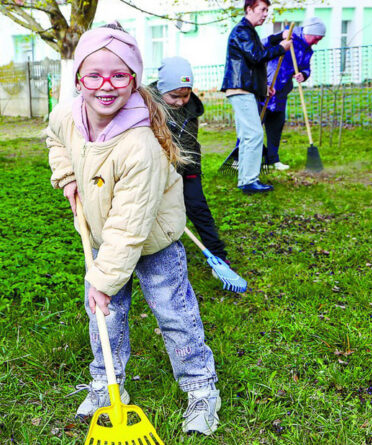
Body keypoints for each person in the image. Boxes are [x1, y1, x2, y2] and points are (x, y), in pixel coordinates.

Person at [46, 24, 220, 435]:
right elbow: (54, 139)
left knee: (174, 314)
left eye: (119, 75)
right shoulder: (68, 115)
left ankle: (201, 388)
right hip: (104, 236)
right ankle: (108, 386)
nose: (105, 86)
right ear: (78, 79)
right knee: (104, 317)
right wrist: (66, 174)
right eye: (94, 75)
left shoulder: (141, 145)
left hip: (153, 242)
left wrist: (102, 280)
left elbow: (130, 227)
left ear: (134, 79)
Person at [150, 57, 229, 263]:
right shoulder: (146, 106)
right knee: (153, 212)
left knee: (198, 207)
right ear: (161, 89)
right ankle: (152, 255)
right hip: (155, 172)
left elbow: (190, 142)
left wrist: (191, 170)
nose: (180, 101)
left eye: (185, 95)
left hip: (187, 167)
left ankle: (218, 255)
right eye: (174, 96)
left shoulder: (190, 108)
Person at [221, 0, 291, 193]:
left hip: (244, 88)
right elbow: (256, 56)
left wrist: (264, 87)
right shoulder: (242, 31)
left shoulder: (249, 31)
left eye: (267, 10)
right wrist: (281, 48)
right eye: (262, 9)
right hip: (240, 89)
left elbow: (251, 63)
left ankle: (245, 180)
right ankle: (249, 181)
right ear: (249, 9)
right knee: (254, 134)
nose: (265, 14)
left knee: (247, 136)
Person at [260, 17, 326, 171]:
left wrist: (304, 74)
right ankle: (243, 158)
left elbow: (306, 67)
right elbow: (260, 46)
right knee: (254, 127)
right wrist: (279, 39)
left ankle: (272, 160)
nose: (317, 42)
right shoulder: (288, 36)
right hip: (266, 88)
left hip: (282, 91)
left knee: (276, 127)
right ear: (309, 33)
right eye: (317, 38)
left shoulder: (307, 50)